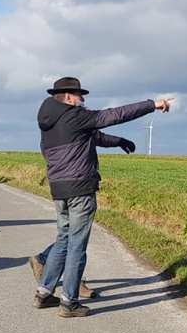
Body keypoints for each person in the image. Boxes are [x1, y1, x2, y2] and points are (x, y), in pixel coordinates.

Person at [32, 77, 173, 317]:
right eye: (79, 95)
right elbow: (115, 115)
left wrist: (119, 141)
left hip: (58, 188)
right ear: (68, 97)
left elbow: (93, 137)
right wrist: (153, 105)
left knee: (63, 239)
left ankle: (44, 293)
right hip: (80, 188)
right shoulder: (75, 116)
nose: (82, 99)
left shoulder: (50, 122)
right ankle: (69, 302)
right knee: (76, 245)